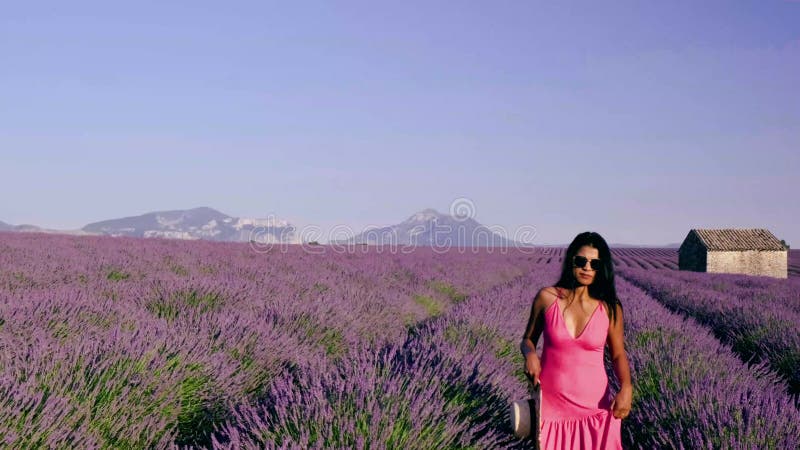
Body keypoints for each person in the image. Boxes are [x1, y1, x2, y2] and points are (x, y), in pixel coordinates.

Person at [520, 231, 632, 449]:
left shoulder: (610, 308)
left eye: (594, 263)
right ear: (571, 260)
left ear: (602, 268)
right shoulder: (547, 298)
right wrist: (530, 354)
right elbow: (528, 339)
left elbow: (618, 354)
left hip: (596, 411)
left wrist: (626, 387)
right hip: (552, 410)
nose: (587, 268)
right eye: (581, 261)